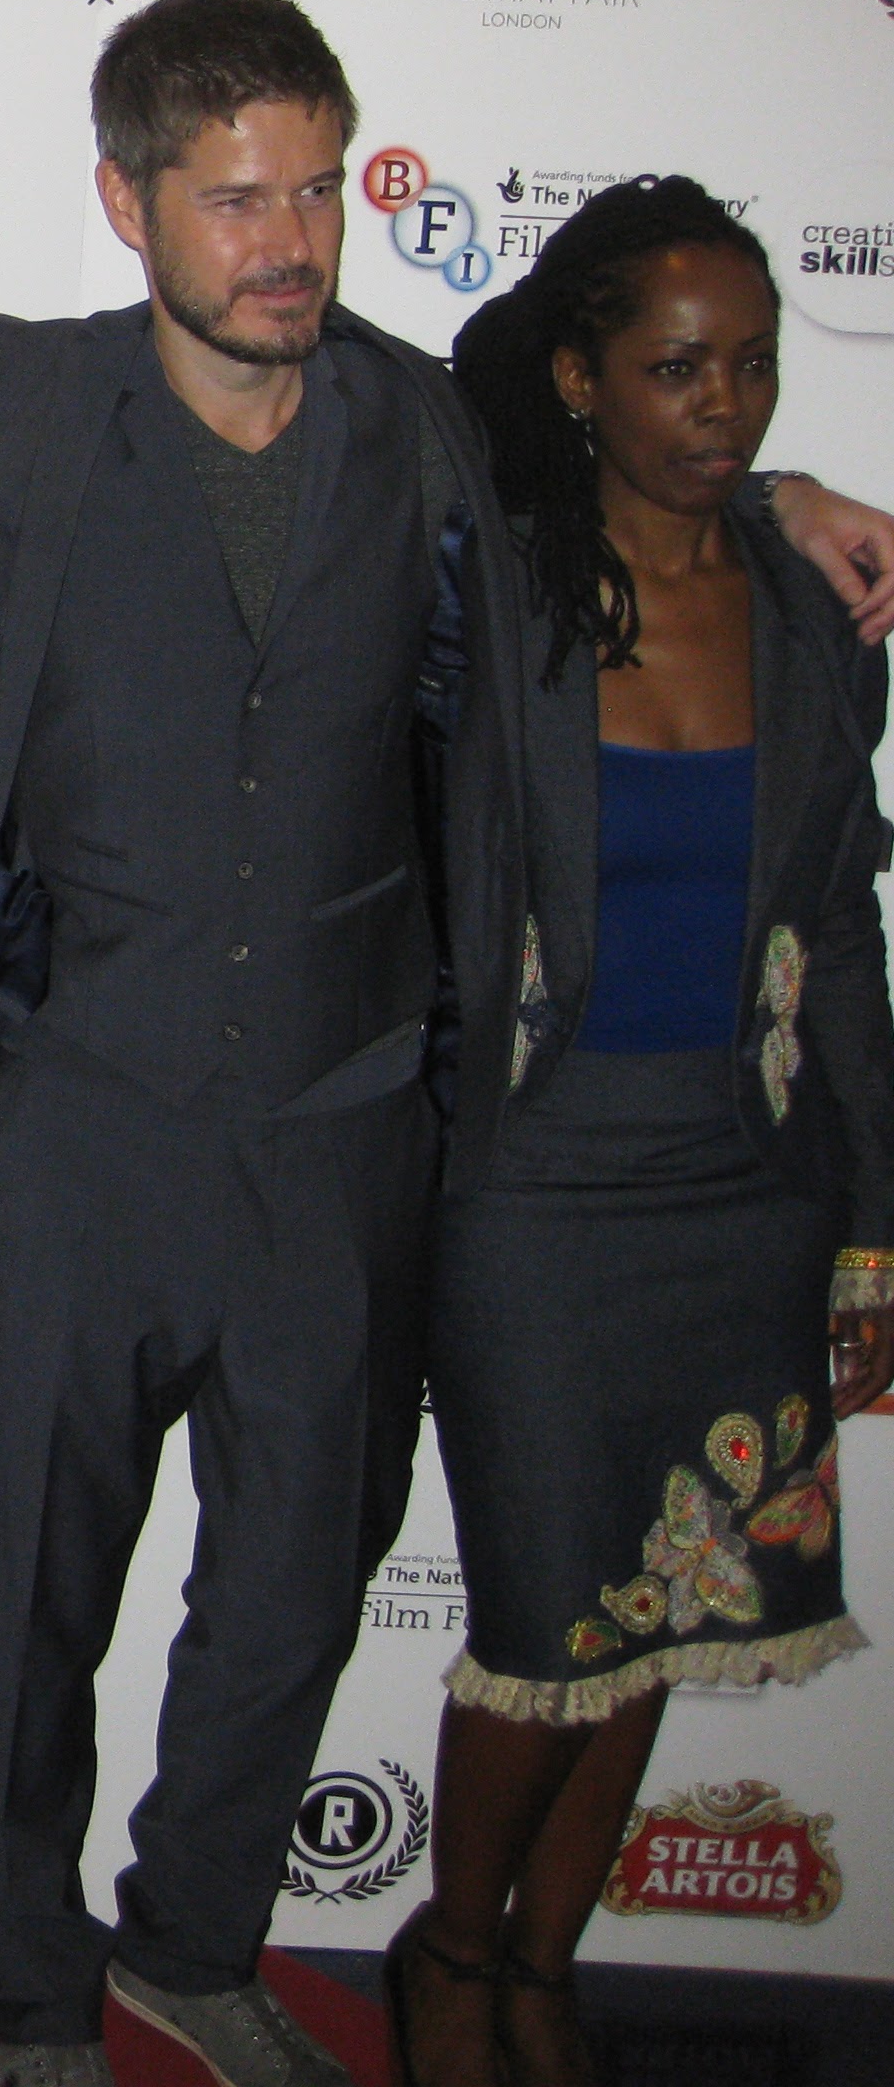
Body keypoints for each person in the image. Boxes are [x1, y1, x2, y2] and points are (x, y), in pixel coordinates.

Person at [0, 0, 894, 2087]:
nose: (288, 239)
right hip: (83, 1113)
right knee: (37, 1599)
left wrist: (787, 484)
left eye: (320, 188)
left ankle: (194, 1938)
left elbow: (642, 467)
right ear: (126, 200)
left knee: (288, 1600)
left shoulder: (427, 423)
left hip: (349, 1125)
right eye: (234, 195)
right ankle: (27, 1983)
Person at [387, 181, 893, 2087]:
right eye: (677, 368)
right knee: (548, 1620)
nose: (726, 407)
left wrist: (873, 1221)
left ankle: (548, 1965)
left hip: (744, 1183)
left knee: (678, 1612)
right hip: (530, 1183)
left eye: (754, 368)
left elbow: (836, 922)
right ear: (584, 379)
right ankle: (449, 1953)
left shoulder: (813, 612)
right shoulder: (497, 583)